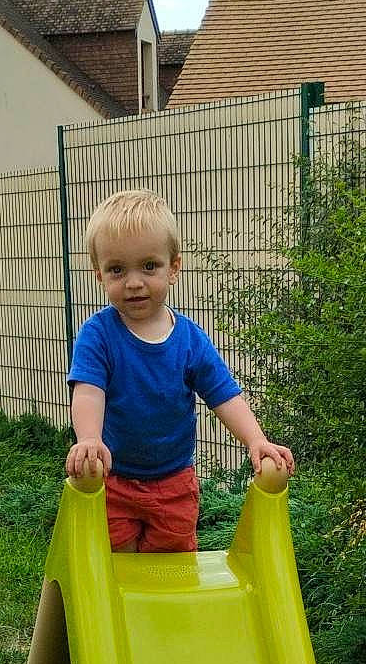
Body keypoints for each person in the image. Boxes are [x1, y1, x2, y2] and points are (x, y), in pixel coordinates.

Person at [65, 189, 294, 553]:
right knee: (114, 567)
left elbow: (223, 393)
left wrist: (256, 440)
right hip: (112, 479)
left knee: (170, 569)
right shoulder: (99, 335)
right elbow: (88, 390)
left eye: (149, 266)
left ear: (174, 268)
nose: (134, 282)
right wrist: (90, 439)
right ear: (99, 275)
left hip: (174, 484)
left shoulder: (188, 340)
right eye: (117, 269)